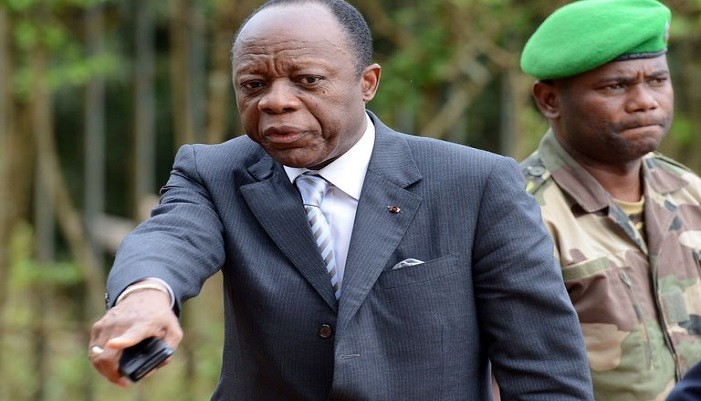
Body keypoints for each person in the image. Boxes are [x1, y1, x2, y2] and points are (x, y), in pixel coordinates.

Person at [89, 0, 594, 399]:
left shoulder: (474, 183)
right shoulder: (214, 172)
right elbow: (172, 237)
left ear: (367, 83)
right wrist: (146, 295)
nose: (276, 101)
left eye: (308, 80)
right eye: (253, 84)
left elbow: (544, 370)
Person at [519, 0, 701, 400]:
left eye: (657, 80)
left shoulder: (690, 192)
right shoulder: (520, 213)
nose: (645, 101)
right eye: (616, 86)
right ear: (550, 100)